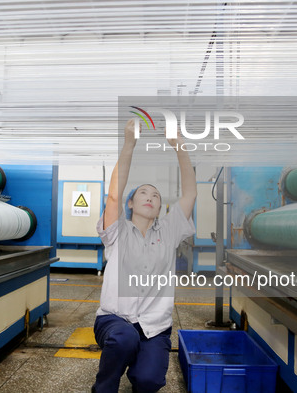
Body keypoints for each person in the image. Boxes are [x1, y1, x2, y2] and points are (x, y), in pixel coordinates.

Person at [92, 118, 197, 392]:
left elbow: (190, 194)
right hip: (115, 321)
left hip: (154, 326)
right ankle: (103, 388)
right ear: (130, 203)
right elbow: (112, 196)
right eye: (143, 193)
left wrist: (179, 146)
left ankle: (140, 369)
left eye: (156, 196)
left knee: (149, 380)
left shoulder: (169, 231)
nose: (150, 197)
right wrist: (129, 144)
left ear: (161, 207)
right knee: (124, 338)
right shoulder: (117, 232)